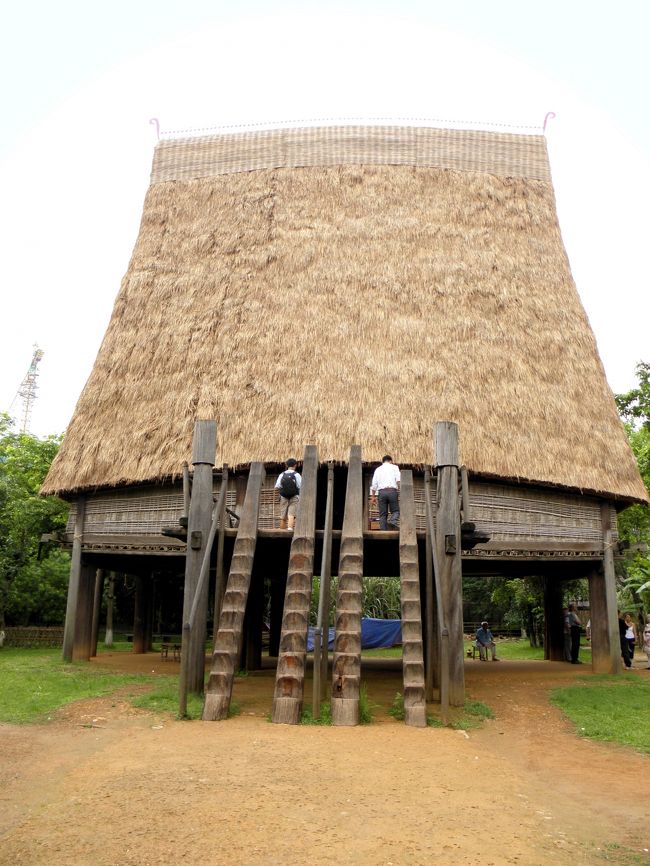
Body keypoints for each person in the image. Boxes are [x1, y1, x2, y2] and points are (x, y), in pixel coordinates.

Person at [369, 455, 401, 530]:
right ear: (390, 461)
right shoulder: (395, 467)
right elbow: (398, 481)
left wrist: (373, 496)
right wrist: (400, 491)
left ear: (383, 461)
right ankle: (392, 522)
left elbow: (374, 485)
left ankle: (383, 531)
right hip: (392, 491)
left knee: (383, 514)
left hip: (382, 493)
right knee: (396, 511)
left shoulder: (378, 469)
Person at [275, 458, 301, 532]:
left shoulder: (282, 474)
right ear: (295, 465)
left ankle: (282, 530)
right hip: (294, 496)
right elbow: (300, 486)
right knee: (291, 513)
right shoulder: (297, 475)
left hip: (283, 495)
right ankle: (290, 529)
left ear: (286, 465)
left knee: (283, 513)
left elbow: (277, 486)